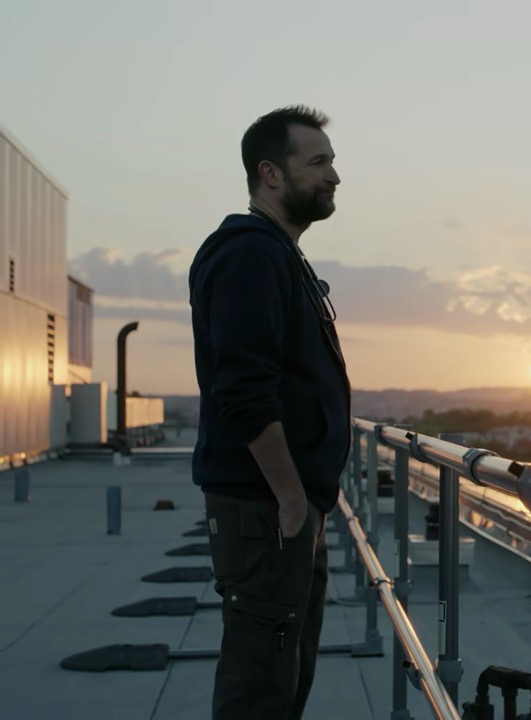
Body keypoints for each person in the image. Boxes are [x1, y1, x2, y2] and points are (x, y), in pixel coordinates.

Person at [188, 105, 351, 720]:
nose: (334, 176)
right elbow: (245, 388)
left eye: (333, 161)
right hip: (265, 509)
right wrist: (289, 497)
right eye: (318, 162)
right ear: (271, 174)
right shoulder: (249, 255)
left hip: (286, 506)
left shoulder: (278, 255)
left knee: (284, 677)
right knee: (260, 685)